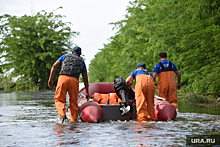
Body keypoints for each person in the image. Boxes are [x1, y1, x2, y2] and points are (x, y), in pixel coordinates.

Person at [48, 46, 89, 123]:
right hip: (74, 80)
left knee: (59, 99)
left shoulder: (65, 56)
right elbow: (85, 78)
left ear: (72, 52)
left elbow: (54, 66)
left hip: (62, 78)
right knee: (73, 101)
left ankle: (63, 115)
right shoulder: (81, 61)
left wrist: (50, 79)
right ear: (80, 53)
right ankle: (73, 120)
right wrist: (87, 92)